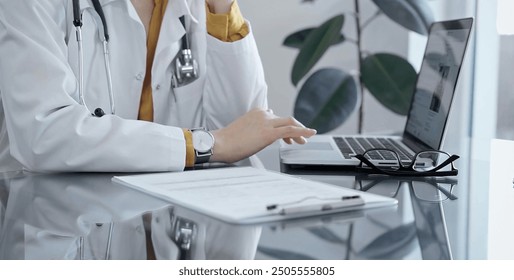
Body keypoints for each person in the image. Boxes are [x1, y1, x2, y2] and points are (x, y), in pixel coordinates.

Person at [0, 0, 316, 173]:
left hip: (159, 222)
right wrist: (206, 145)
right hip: (50, 216)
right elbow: (43, 135)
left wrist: (222, 8)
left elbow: (241, 133)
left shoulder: (191, 6)